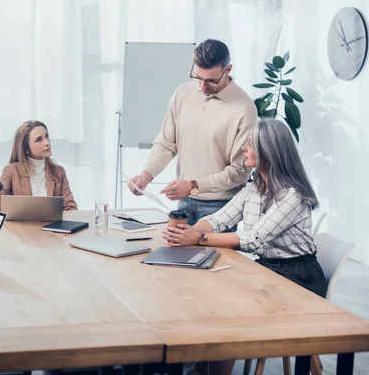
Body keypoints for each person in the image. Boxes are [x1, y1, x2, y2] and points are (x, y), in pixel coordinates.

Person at [163, 118, 328, 375]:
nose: (245, 149)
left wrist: (197, 240)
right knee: (211, 296)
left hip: (298, 278)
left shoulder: (292, 195)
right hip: (268, 270)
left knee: (230, 308)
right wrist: (189, 232)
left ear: (269, 152)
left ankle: (209, 369)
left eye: (251, 144)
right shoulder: (254, 188)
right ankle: (205, 366)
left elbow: (255, 239)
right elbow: (220, 219)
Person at [129, 39, 257, 225]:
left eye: (211, 81)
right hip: (184, 203)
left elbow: (240, 171)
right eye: (198, 77)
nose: (203, 86)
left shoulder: (244, 108)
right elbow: (166, 143)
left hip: (221, 207)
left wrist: (193, 186)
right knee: (177, 253)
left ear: (227, 70)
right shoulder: (182, 94)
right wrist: (146, 175)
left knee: (215, 256)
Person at [0, 120, 77, 211]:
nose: (47, 143)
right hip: (21, 226)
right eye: (39, 140)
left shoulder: (59, 172)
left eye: (47, 136)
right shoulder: (11, 171)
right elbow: (0, 202)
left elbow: (70, 207)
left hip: (53, 226)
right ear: (26, 149)